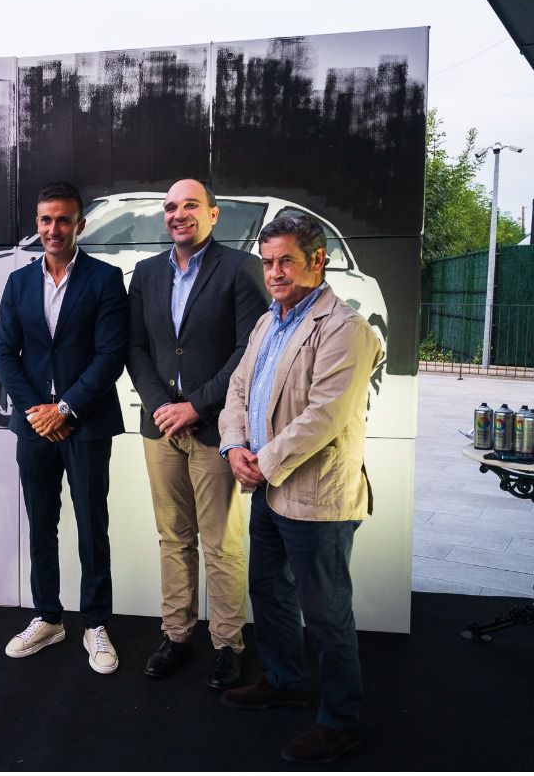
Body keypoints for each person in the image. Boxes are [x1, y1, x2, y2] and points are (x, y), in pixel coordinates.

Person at [217, 213, 382, 764]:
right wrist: (233, 447)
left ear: (318, 261)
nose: (275, 272)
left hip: (316, 498)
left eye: (286, 260)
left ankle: (340, 722)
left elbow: (323, 417)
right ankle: (285, 681)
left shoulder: (347, 330)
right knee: (269, 590)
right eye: (268, 262)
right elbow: (238, 389)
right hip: (267, 486)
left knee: (328, 613)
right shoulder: (269, 323)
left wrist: (260, 461)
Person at [127, 179, 268, 688]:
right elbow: (136, 349)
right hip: (159, 427)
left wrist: (196, 405)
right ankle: (177, 633)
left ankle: (228, 644)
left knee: (221, 542)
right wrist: (163, 406)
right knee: (173, 537)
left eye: (190, 205)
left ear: (212, 214)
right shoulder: (145, 274)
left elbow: (247, 352)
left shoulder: (240, 268)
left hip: (215, 427)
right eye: (170, 207)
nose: (178, 214)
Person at [0, 181, 128, 674]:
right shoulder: (18, 283)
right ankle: (48, 617)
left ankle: (95, 624)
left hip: (86, 425)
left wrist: (66, 408)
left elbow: (110, 355)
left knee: (93, 527)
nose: (54, 228)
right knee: (41, 523)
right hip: (34, 428)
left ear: (79, 225)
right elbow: (5, 353)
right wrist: (37, 412)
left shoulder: (105, 280)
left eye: (63, 219)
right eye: (46, 220)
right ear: (37, 224)